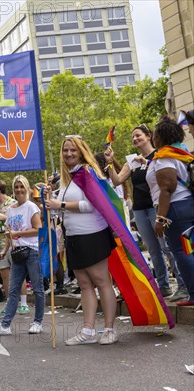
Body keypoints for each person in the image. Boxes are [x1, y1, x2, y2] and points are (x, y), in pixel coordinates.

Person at [47, 135, 118, 345]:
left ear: (81, 151)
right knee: (84, 284)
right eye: (65, 150)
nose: (69, 154)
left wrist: (59, 205)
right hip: (73, 236)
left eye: (73, 150)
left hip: (93, 234)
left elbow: (93, 205)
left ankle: (109, 329)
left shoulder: (88, 173)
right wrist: (51, 202)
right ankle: (88, 331)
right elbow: (59, 211)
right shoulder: (66, 179)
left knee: (101, 281)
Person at [104, 124, 185, 300]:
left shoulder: (159, 156)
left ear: (149, 136)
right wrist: (110, 162)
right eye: (133, 137)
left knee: (168, 247)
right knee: (154, 250)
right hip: (140, 209)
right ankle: (163, 287)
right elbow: (117, 181)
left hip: (158, 207)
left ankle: (182, 284)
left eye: (138, 135)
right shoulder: (131, 160)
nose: (135, 139)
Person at [0, 176, 44, 336]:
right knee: (12, 290)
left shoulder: (31, 207)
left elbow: (38, 229)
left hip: (32, 251)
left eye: (21, 186)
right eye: (16, 187)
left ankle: (38, 322)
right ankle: (5, 326)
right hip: (16, 253)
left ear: (27, 188)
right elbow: (8, 233)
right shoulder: (10, 209)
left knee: (38, 289)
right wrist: (5, 249)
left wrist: (18, 233)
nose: (19, 189)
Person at [147, 120, 194, 306]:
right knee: (190, 249)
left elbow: (167, 188)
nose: (153, 137)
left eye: (155, 134)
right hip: (188, 204)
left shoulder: (164, 157)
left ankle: (193, 294)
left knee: (181, 251)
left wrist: (160, 218)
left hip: (174, 209)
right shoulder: (182, 152)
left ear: (160, 137)